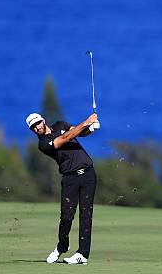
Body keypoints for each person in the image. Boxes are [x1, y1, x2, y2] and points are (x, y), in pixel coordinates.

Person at [26, 112, 100, 265]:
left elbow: (79, 133)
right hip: (70, 178)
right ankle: (62, 247)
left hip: (88, 174)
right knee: (66, 216)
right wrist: (86, 122)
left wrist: (91, 128)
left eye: (37, 123)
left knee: (86, 215)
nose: (37, 127)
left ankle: (82, 254)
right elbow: (65, 138)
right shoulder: (44, 144)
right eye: (33, 127)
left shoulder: (60, 125)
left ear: (43, 121)